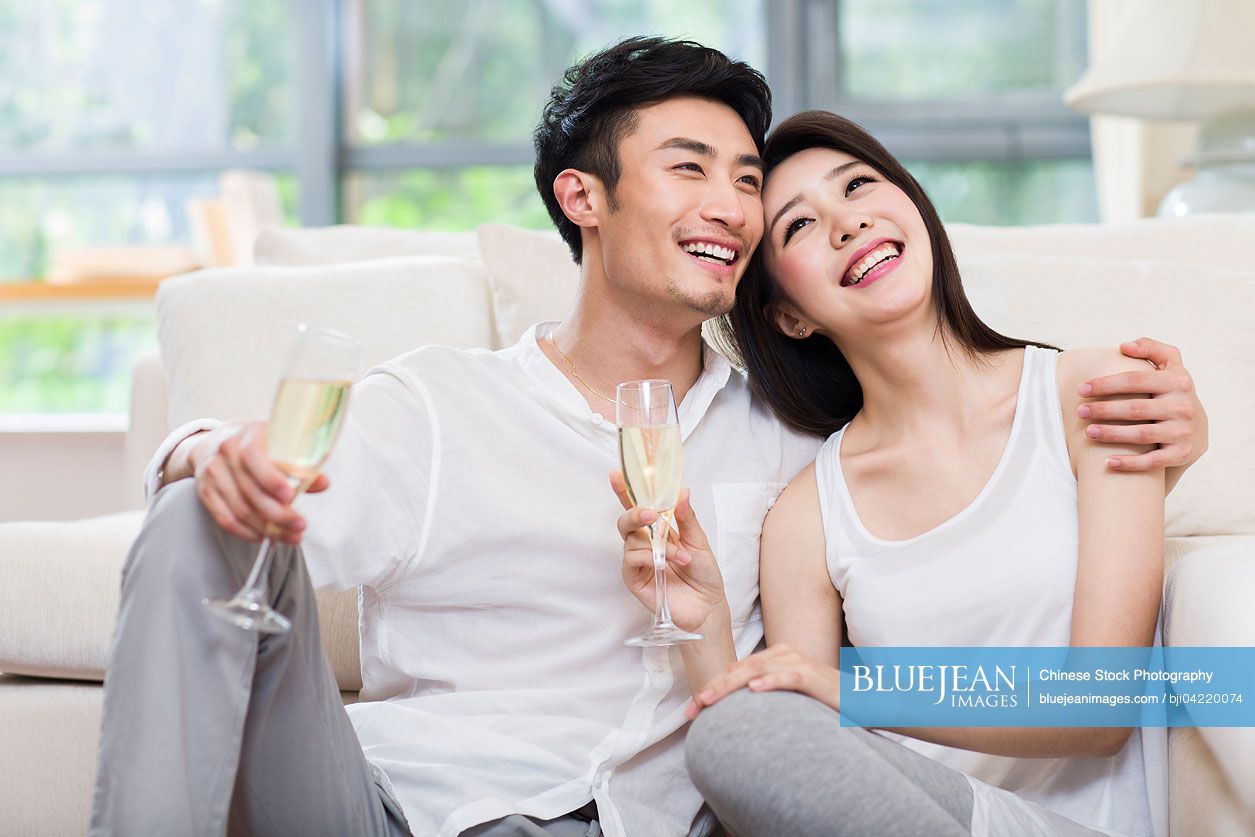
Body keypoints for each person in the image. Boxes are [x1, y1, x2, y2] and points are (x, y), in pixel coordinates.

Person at [89, 38, 1203, 837]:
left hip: (667, 810)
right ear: (583, 196)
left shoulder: (790, 441)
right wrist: (199, 452)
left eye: (747, 182)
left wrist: (1172, 453)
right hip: (408, 804)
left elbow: (774, 705)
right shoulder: (443, 408)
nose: (731, 203)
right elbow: (263, 512)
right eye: (690, 169)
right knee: (196, 518)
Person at [612, 110, 1196, 836]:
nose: (847, 223)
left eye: (858, 186)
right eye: (798, 225)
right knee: (736, 736)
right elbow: (783, 741)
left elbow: (1099, 708)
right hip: (909, 813)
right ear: (788, 315)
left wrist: (851, 690)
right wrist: (700, 627)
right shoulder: (806, 514)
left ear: (913, 207)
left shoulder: (1094, 392)